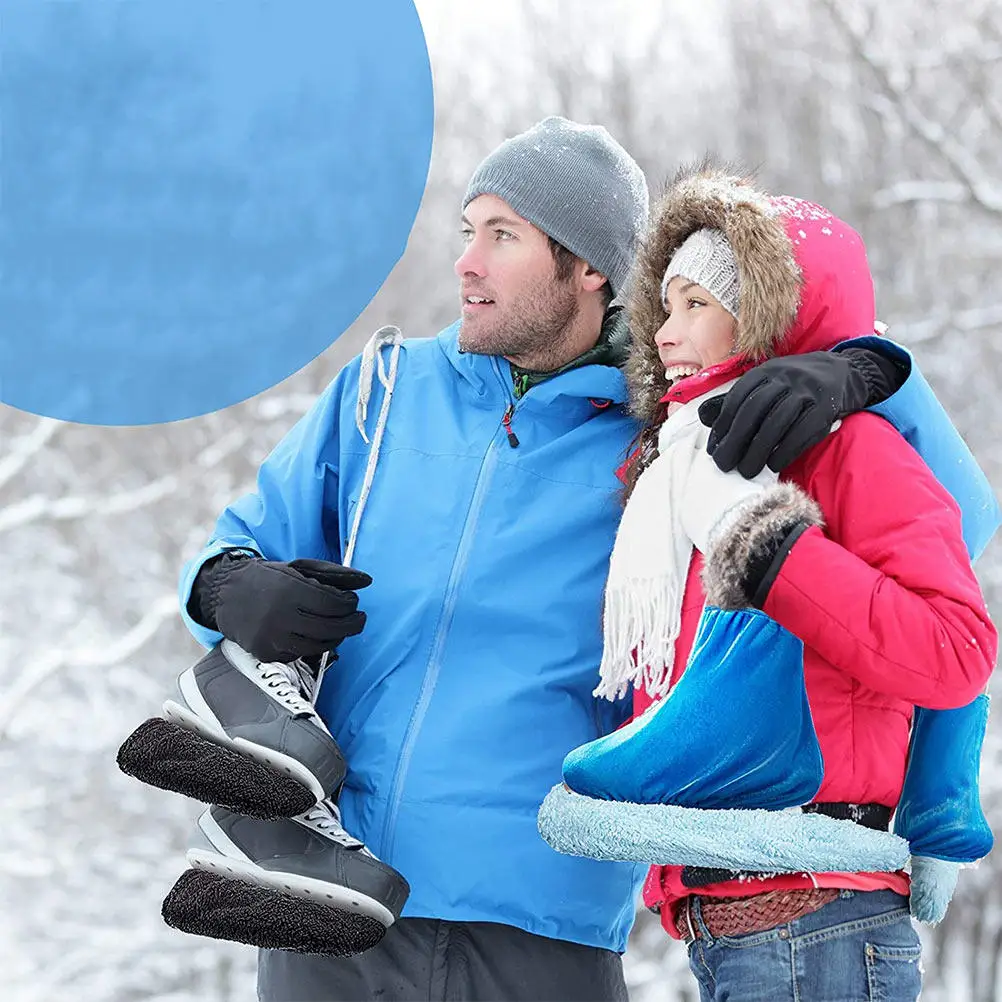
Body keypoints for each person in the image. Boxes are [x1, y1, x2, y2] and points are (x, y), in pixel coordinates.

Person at [123, 120, 994, 1002]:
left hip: (542, 924)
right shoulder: (382, 397)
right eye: (468, 232)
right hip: (331, 905)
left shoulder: (670, 437)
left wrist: (864, 370)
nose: (466, 262)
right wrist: (230, 586)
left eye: (503, 237)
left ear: (590, 269)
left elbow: (955, 515)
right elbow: (233, 544)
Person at [554, 165, 998, 1002]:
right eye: (665, 304)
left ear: (761, 316)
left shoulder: (853, 451)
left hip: (819, 920)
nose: (662, 332)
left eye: (698, 305)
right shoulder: (682, 467)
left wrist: (774, 553)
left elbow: (958, 652)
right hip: (730, 926)